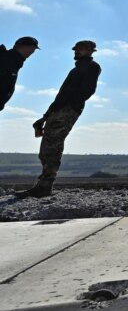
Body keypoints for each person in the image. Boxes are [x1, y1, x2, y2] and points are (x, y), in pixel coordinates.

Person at [16, 40, 101, 199]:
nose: (77, 52)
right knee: (46, 149)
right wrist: (46, 116)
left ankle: (45, 186)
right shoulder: (76, 69)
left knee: (52, 148)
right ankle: (43, 185)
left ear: (90, 50)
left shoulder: (91, 67)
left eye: (81, 49)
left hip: (66, 110)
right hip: (59, 110)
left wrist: (70, 106)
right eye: (76, 49)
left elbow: (87, 90)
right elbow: (61, 97)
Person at [1, 36, 40, 112]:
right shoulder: (6, 60)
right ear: (24, 47)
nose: (33, 52)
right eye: (33, 48)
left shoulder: (13, 62)